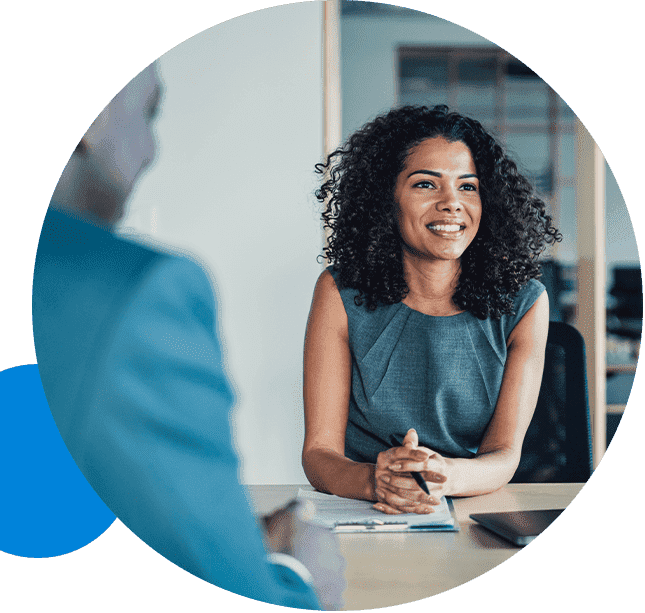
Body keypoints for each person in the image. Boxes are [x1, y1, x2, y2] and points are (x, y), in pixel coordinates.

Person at [33, 64, 343, 609]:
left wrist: (208, 534)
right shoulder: (134, 293)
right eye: (150, 114)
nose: (151, 151)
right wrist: (299, 574)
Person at [302, 105, 560, 515]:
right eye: (426, 184)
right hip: (366, 508)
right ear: (386, 196)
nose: (452, 204)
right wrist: (377, 481)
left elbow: (504, 454)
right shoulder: (339, 292)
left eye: (468, 187)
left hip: (471, 507)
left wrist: (439, 475)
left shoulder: (525, 302)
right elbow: (319, 453)